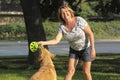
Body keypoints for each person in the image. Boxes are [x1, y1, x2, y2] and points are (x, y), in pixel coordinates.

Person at [38, 5, 96, 80]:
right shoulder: (62, 27)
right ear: (61, 16)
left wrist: (92, 49)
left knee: (86, 72)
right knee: (70, 71)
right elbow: (56, 40)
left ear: (70, 12)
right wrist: (43, 43)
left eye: (66, 12)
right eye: (63, 13)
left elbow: (90, 34)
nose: (65, 14)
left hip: (86, 48)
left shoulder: (79, 20)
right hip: (74, 50)